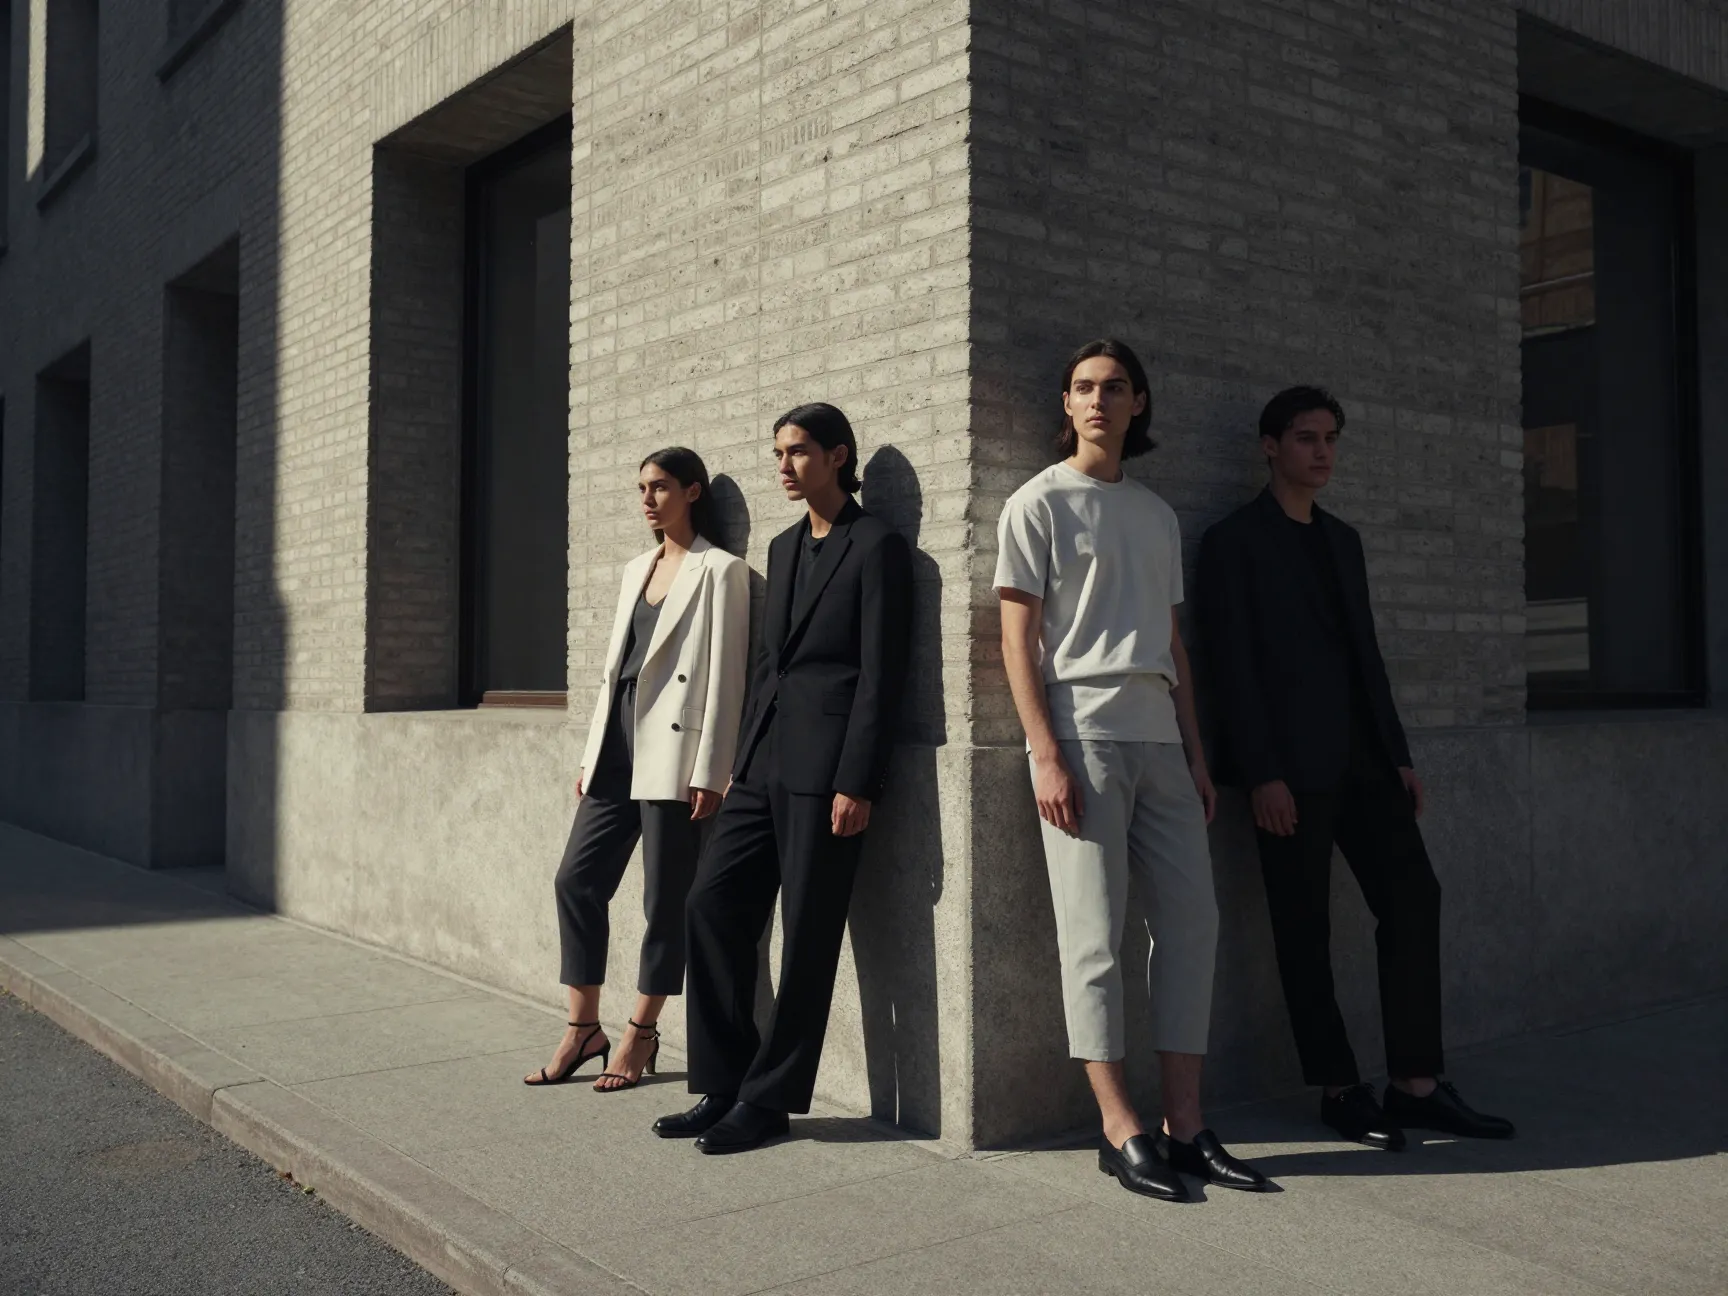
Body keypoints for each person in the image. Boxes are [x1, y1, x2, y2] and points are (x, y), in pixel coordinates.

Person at [1196, 386, 1515, 1149]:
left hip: (1365, 763)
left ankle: (1415, 1084)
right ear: (1270, 446)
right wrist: (1261, 772)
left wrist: (1397, 754)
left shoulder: (1344, 540)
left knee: (1414, 898)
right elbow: (1230, 669)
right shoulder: (1232, 543)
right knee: (1301, 928)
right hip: (1289, 775)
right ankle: (1340, 1089)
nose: (1323, 452)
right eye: (1307, 438)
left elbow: (1365, 659)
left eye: (1331, 438)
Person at [995, 339, 1270, 1202]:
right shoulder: (1036, 503)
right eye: (1081, 387)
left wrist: (1196, 752)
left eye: (1114, 387)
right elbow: (1015, 637)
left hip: (1160, 737)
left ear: (1140, 403)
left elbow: (1174, 643)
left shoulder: (1155, 513)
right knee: (1096, 936)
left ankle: (1185, 1126)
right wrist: (1043, 751)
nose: (1097, 400)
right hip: (1081, 733)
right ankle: (1120, 1130)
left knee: (1193, 925)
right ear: (1065, 404)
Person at [654, 403, 912, 1153]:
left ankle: (768, 1103)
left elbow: (879, 676)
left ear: (839, 457)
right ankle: (725, 1081)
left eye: (798, 452)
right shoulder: (783, 546)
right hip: (762, 765)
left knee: (807, 937)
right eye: (778, 453)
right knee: (710, 907)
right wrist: (738, 760)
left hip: (830, 773)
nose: (785, 466)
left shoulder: (879, 548)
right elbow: (771, 665)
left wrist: (857, 782)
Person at [524, 447, 749, 1093]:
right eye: (641, 488)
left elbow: (727, 679)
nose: (648, 498)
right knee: (576, 881)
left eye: (660, 487)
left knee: (664, 900)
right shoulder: (634, 568)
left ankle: (641, 1034)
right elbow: (613, 670)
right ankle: (582, 1028)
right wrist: (593, 755)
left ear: (693, 492)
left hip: (674, 754)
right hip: (616, 748)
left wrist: (712, 770)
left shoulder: (720, 572)